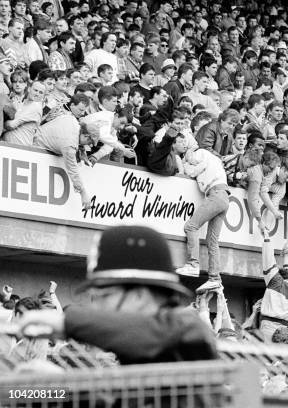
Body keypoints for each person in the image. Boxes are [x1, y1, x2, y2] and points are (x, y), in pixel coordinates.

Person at [14, 225, 218, 364]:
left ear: (139, 295)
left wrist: (67, 322)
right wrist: (44, 391)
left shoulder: (187, 330)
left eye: (104, 296)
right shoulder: (132, 350)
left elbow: (159, 333)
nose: (96, 307)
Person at [176, 148, 230, 292]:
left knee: (191, 226)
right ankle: (214, 278)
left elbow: (192, 171)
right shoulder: (215, 161)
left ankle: (193, 264)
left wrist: (184, 162)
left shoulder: (201, 153)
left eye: (187, 154)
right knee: (212, 241)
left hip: (216, 194)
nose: (188, 158)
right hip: (224, 196)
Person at [35, 93, 92, 209]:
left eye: (84, 111)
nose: (82, 113)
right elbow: (39, 118)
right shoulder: (56, 107)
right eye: (81, 110)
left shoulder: (74, 117)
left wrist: (82, 151)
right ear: (72, 105)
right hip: (37, 142)